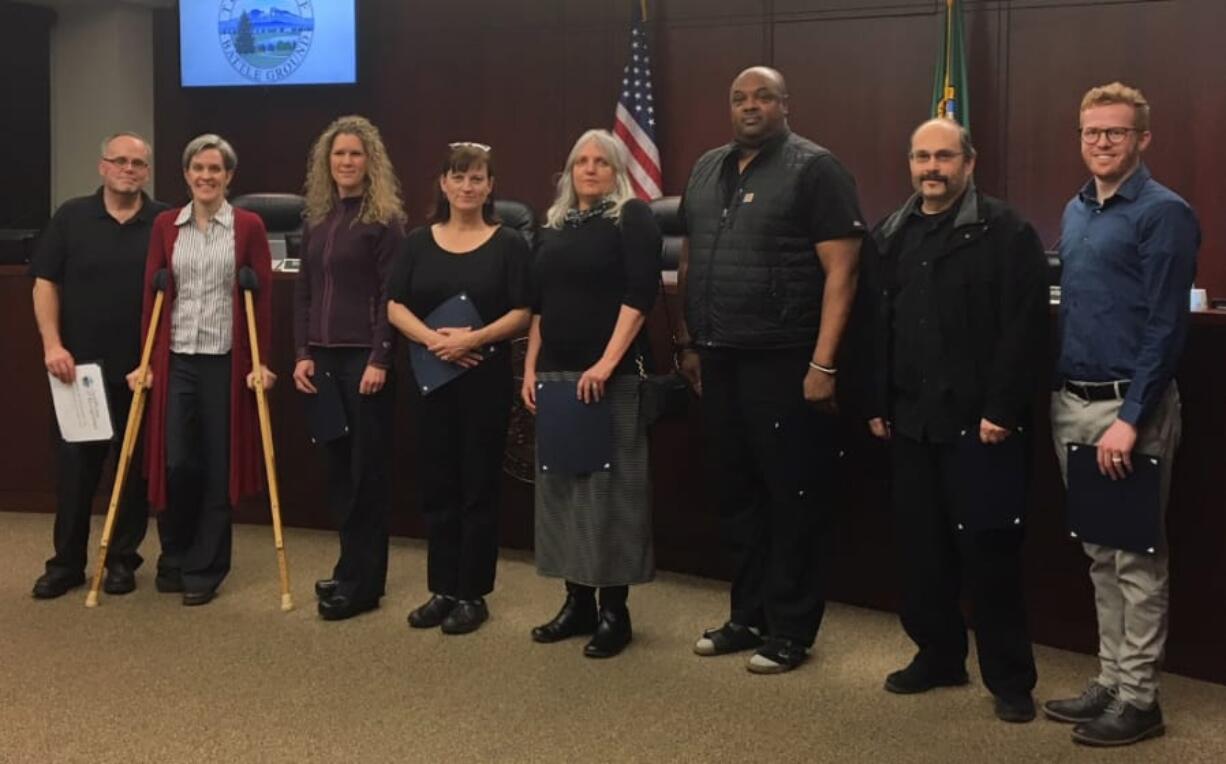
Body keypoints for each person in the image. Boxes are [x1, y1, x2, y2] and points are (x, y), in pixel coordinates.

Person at [675, 66, 864, 673]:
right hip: (719, 356)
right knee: (737, 497)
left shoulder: (816, 169)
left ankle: (790, 629)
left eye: (763, 97)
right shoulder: (706, 168)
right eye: (739, 98)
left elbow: (844, 271)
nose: (749, 106)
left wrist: (823, 362)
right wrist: (689, 341)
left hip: (784, 360)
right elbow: (691, 257)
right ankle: (746, 615)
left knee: (791, 498)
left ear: (786, 104)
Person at [866, 118, 1048, 722]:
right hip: (911, 424)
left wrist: (1002, 408)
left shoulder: (1006, 231)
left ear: (969, 163)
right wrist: (877, 402)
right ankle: (939, 657)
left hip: (982, 427)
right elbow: (879, 325)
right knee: (922, 554)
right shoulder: (893, 231)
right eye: (921, 157)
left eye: (943, 156)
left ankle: (1011, 679)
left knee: (990, 556)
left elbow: (1025, 331)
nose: (931, 168)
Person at [1042, 82, 1199, 747]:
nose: (1101, 143)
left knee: (1135, 556)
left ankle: (1141, 699)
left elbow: (1166, 326)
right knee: (1099, 553)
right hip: (1072, 405)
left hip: (1127, 412)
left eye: (1115, 132)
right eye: (1090, 132)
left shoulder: (1163, 214)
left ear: (1142, 139)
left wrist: (1131, 418)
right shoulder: (1078, 210)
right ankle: (1111, 679)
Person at [522, 129, 662, 659]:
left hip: (611, 377)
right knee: (564, 493)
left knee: (611, 496)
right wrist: (531, 367)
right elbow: (540, 303)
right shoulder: (553, 227)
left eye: (601, 161)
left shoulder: (632, 218)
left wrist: (606, 362)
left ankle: (614, 611)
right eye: (580, 160)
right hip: (558, 376)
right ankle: (575, 601)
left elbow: (640, 293)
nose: (589, 169)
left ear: (618, 170)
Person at [388, 143, 532, 635]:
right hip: (431, 379)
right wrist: (432, 341)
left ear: (490, 187)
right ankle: (442, 589)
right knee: (438, 485)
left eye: (477, 179)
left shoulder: (510, 242)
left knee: (478, 487)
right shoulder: (417, 242)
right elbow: (394, 305)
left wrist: (473, 339)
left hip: (483, 380)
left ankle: (472, 592)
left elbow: (523, 311)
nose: (467, 187)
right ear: (443, 184)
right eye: (459, 177)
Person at [129, 133, 275, 607]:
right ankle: (175, 553)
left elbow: (264, 300)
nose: (206, 177)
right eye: (199, 169)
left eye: (216, 170)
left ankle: (206, 565)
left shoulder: (248, 227)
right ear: (186, 174)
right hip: (176, 359)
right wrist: (146, 364)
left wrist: (261, 364)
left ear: (229, 177)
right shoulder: (167, 226)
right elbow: (151, 299)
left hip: (226, 361)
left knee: (217, 464)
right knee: (176, 462)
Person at [28, 132, 168, 599]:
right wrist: (53, 346)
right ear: (102, 167)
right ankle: (66, 563)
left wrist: (156, 361)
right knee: (74, 474)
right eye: (120, 161)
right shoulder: (71, 217)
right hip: (76, 372)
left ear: (147, 172)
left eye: (138, 164)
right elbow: (45, 283)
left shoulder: (164, 223)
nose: (129, 169)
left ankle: (121, 562)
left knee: (130, 473)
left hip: (140, 371)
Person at [292, 115, 406, 621]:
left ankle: (364, 585)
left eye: (355, 154)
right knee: (338, 472)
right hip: (323, 359)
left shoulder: (385, 221)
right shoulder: (316, 217)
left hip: (365, 361)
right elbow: (304, 292)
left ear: (370, 161)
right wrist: (302, 354)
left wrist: (381, 358)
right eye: (338, 154)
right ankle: (347, 568)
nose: (346, 162)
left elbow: (391, 297)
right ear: (327, 161)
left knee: (366, 476)